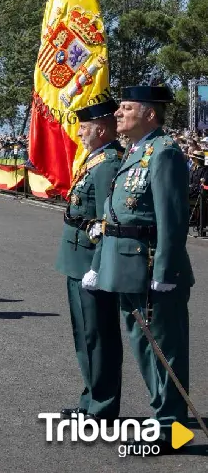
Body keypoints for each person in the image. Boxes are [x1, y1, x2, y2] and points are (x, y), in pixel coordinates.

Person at [83, 85, 195, 452]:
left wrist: (166, 271)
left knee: (164, 348)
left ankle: (170, 427)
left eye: (126, 108)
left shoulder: (164, 154)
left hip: (150, 268)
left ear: (149, 114)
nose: (117, 114)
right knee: (144, 346)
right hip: (125, 266)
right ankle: (162, 417)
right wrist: (100, 263)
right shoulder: (135, 151)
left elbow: (171, 220)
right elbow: (112, 217)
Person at [54, 99, 123, 421]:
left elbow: (107, 221)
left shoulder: (108, 162)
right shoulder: (96, 159)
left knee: (98, 335)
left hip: (90, 261)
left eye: (84, 127)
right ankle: (91, 399)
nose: (79, 132)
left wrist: (98, 267)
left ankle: (102, 406)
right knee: (85, 335)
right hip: (78, 256)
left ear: (102, 128)